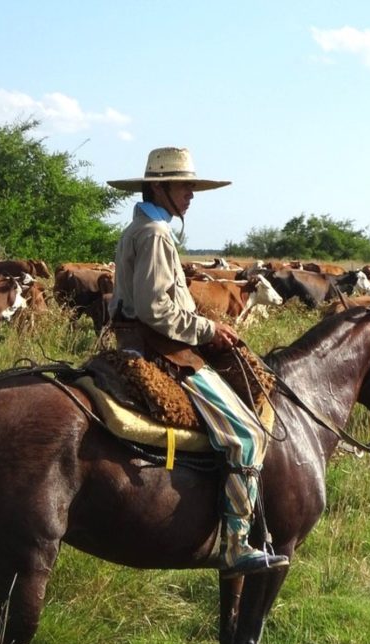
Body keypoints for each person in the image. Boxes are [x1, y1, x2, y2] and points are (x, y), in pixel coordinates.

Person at [106, 147, 289, 577]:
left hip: (146, 340)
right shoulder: (153, 233)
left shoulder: (146, 227)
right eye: (185, 186)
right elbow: (155, 309)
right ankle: (235, 544)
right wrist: (208, 330)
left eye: (191, 186)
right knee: (245, 434)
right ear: (159, 187)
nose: (191, 194)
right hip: (162, 350)